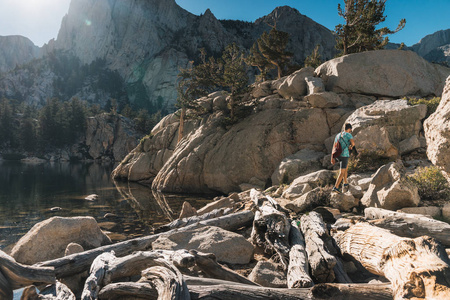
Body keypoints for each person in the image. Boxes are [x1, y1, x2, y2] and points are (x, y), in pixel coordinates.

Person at [332, 123, 355, 193]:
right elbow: (353, 144)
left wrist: (332, 158)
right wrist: (351, 146)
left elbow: (334, 146)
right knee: (342, 172)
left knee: (346, 167)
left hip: (338, 155)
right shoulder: (348, 135)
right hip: (344, 155)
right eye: (350, 130)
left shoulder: (338, 135)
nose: (350, 132)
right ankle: (336, 187)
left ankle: (345, 182)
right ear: (349, 129)